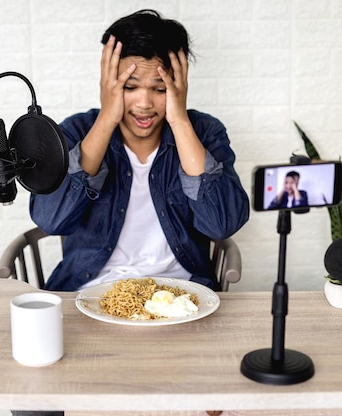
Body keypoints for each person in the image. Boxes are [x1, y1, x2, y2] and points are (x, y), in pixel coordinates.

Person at [29, 9, 250, 292]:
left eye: (160, 89)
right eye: (130, 86)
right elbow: (51, 219)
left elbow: (222, 224)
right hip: (89, 292)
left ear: (179, 86)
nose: (144, 103)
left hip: (180, 294)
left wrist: (180, 120)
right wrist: (107, 118)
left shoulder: (205, 132)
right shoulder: (77, 131)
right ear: (107, 84)